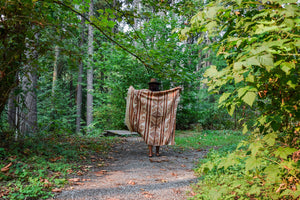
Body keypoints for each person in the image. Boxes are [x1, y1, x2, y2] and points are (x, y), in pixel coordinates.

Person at [148, 78, 160, 157]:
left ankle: (157, 151)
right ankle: (150, 152)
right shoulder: (147, 93)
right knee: (150, 135)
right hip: (149, 116)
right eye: (152, 85)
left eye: (155, 84)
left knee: (158, 135)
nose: (153, 86)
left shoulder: (160, 93)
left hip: (159, 116)